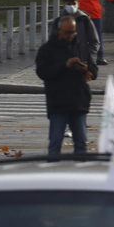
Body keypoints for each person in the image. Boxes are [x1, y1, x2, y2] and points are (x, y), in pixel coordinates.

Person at [35, 14, 96, 156]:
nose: (70, 35)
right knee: (55, 143)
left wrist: (86, 68)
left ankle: (79, 171)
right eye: (67, 32)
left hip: (79, 101)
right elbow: (43, 72)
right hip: (58, 102)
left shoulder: (81, 47)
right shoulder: (47, 49)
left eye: (73, 32)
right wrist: (65, 65)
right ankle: (53, 170)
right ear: (59, 30)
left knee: (81, 143)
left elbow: (94, 70)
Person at [61, 0, 101, 66]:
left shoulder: (84, 20)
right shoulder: (59, 21)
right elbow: (52, 41)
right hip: (63, 61)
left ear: (78, 4)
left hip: (82, 60)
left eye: (74, 4)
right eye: (69, 4)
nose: (71, 6)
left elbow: (95, 41)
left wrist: (86, 55)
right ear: (64, 5)